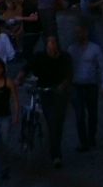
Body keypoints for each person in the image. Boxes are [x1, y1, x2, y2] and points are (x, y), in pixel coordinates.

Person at [20, 32, 73, 167]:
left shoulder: (64, 58)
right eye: (50, 43)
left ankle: (55, 152)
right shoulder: (40, 57)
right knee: (48, 120)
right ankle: (52, 152)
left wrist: (63, 85)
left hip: (59, 94)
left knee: (56, 124)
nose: (52, 45)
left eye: (54, 42)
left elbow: (69, 74)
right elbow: (27, 67)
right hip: (44, 91)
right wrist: (19, 77)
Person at [67, 20, 103, 152]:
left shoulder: (95, 49)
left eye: (80, 32)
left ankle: (91, 137)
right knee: (79, 115)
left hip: (91, 85)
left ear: (86, 32)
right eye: (76, 32)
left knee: (92, 114)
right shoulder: (71, 49)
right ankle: (83, 141)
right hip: (76, 85)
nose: (78, 35)